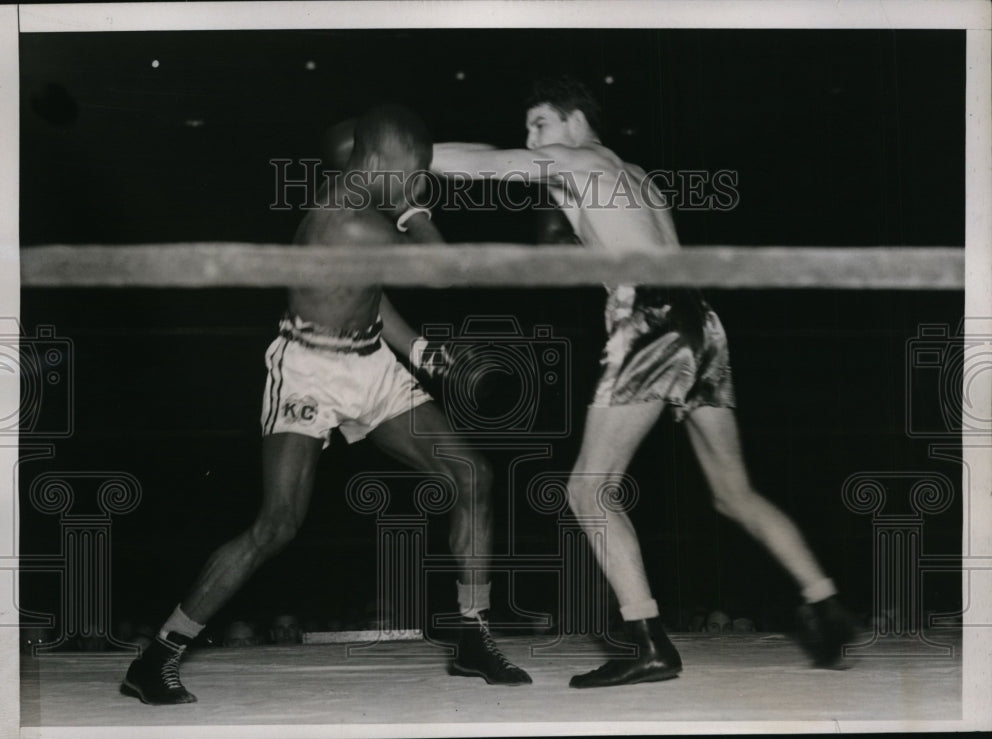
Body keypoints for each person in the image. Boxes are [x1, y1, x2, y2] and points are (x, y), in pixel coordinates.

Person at [431, 76, 857, 688]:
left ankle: (649, 641)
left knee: (587, 491)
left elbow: (490, 165)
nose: (532, 139)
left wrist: (408, 153)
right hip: (700, 324)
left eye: (541, 124)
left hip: (651, 323)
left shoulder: (578, 159)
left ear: (575, 122)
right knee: (733, 492)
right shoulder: (641, 180)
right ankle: (826, 602)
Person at [121, 105, 531, 705]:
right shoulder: (349, 222)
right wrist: (415, 210)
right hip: (308, 371)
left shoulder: (363, 205)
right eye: (412, 172)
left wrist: (420, 351)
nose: (419, 183)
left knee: (472, 475)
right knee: (277, 524)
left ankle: (473, 636)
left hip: (369, 361)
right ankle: (157, 655)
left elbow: (367, 293)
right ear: (376, 162)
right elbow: (446, 271)